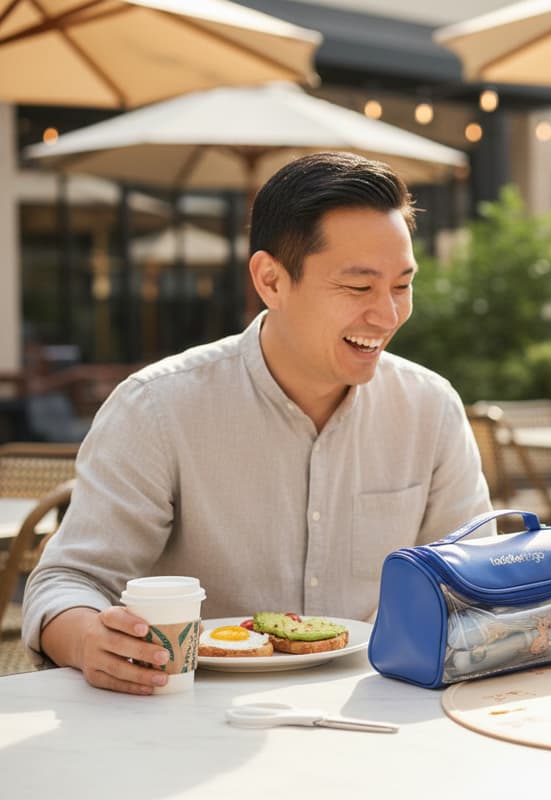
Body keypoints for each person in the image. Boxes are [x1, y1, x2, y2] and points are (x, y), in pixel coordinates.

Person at [22, 152, 493, 695]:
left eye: (402, 286)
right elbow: (68, 581)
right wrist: (87, 641)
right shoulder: (157, 409)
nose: (387, 315)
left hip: (377, 717)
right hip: (190, 723)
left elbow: (472, 583)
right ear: (271, 279)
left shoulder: (429, 408)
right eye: (359, 288)